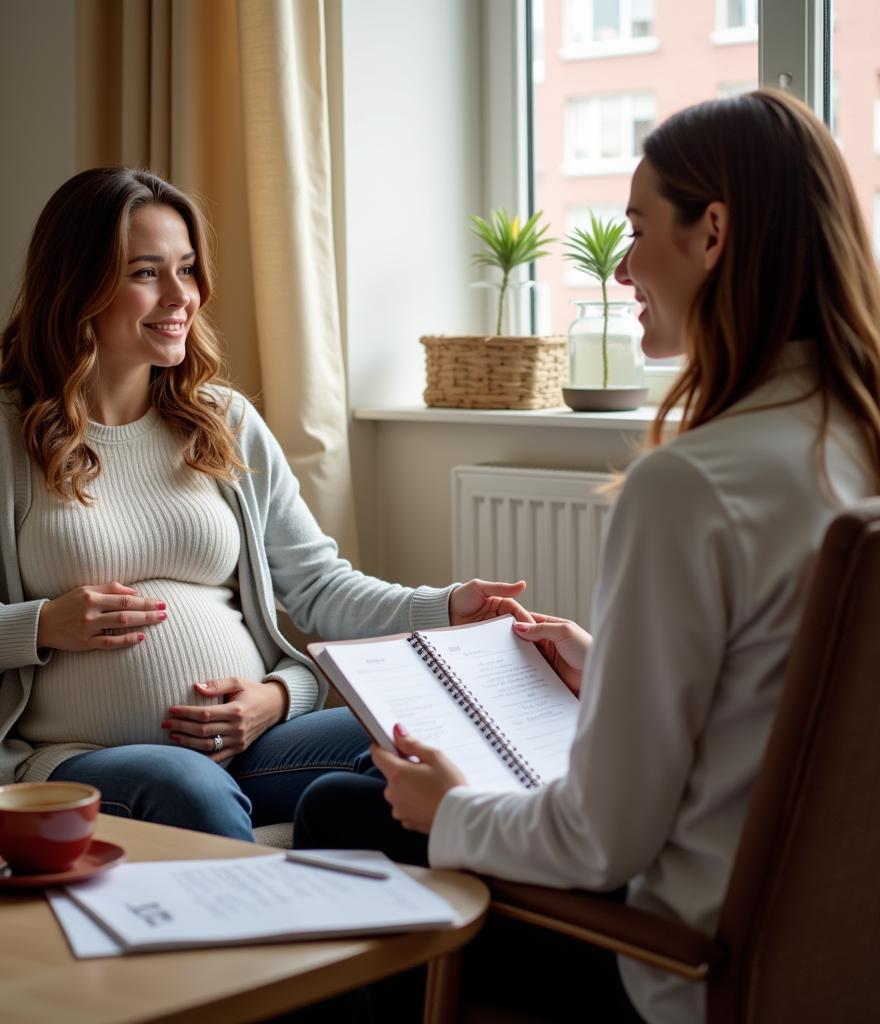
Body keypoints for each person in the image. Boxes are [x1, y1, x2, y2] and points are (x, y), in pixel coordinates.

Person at [292, 88, 880, 1023]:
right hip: (835, 966)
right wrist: (606, 661)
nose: (625, 267)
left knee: (340, 808)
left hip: (681, 967)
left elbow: (602, 839)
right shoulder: (855, 446)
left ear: (713, 233)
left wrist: (450, 812)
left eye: (639, 228)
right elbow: (794, 707)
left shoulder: (693, 485)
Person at [0, 166, 528, 842]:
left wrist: (433, 613)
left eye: (187, 269)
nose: (183, 296)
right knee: (191, 789)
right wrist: (37, 626)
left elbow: (319, 587)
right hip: (81, 760)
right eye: (146, 273)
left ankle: (385, 937)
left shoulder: (222, 420)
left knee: (427, 732)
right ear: (77, 285)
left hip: (256, 742)